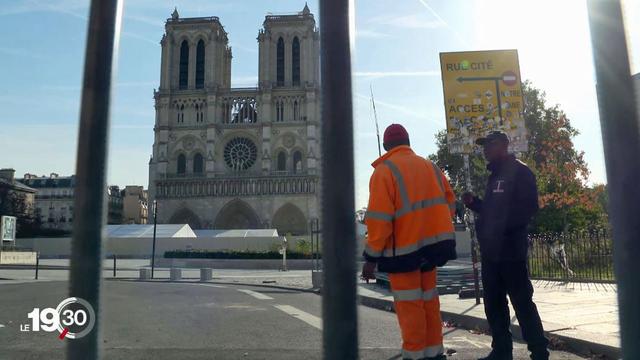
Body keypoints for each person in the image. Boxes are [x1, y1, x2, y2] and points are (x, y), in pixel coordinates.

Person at [361, 124, 457, 360]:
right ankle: (435, 353)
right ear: (408, 142)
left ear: (386, 146)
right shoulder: (431, 167)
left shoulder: (384, 171)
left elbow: (379, 220)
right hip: (433, 248)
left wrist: (371, 258)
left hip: (403, 252)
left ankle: (414, 356)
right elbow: (450, 203)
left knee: (410, 305)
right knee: (429, 302)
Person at [462, 131, 549, 360]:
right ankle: (501, 351)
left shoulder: (521, 171)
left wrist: (501, 227)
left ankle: (539, 351)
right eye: (483, 146)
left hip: (511, 252)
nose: (485, 149)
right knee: (494, 305)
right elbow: (492, 212)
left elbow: (529, 208)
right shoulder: (494, 176)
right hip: (491, 254)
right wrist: (475, 204)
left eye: (489, 144)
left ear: (503, 145)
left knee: (522, 304)